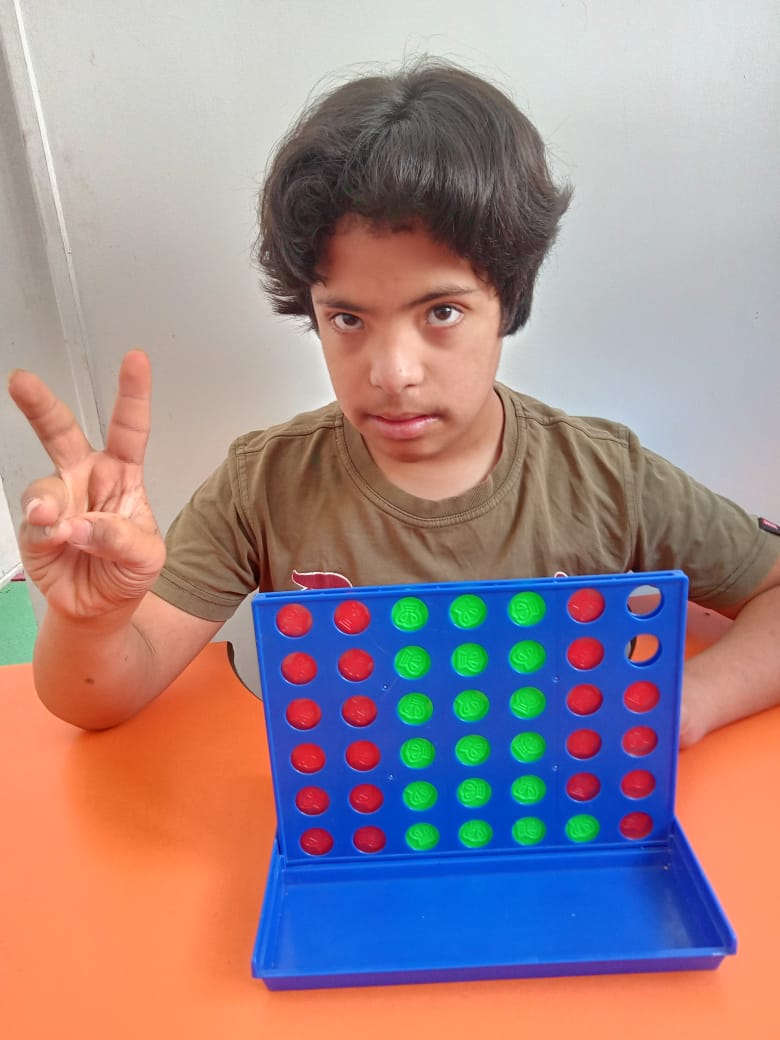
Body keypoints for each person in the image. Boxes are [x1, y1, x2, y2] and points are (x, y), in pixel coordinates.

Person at [8, 58, 780, 741]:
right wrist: (90, 621)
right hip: (350, 836)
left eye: (440, 312)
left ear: (506, 302)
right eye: (348, 319)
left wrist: (686, 703)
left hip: (562, 823)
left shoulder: (606, 478)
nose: (393, 372)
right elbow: (101, 700)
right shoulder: (263, 486)